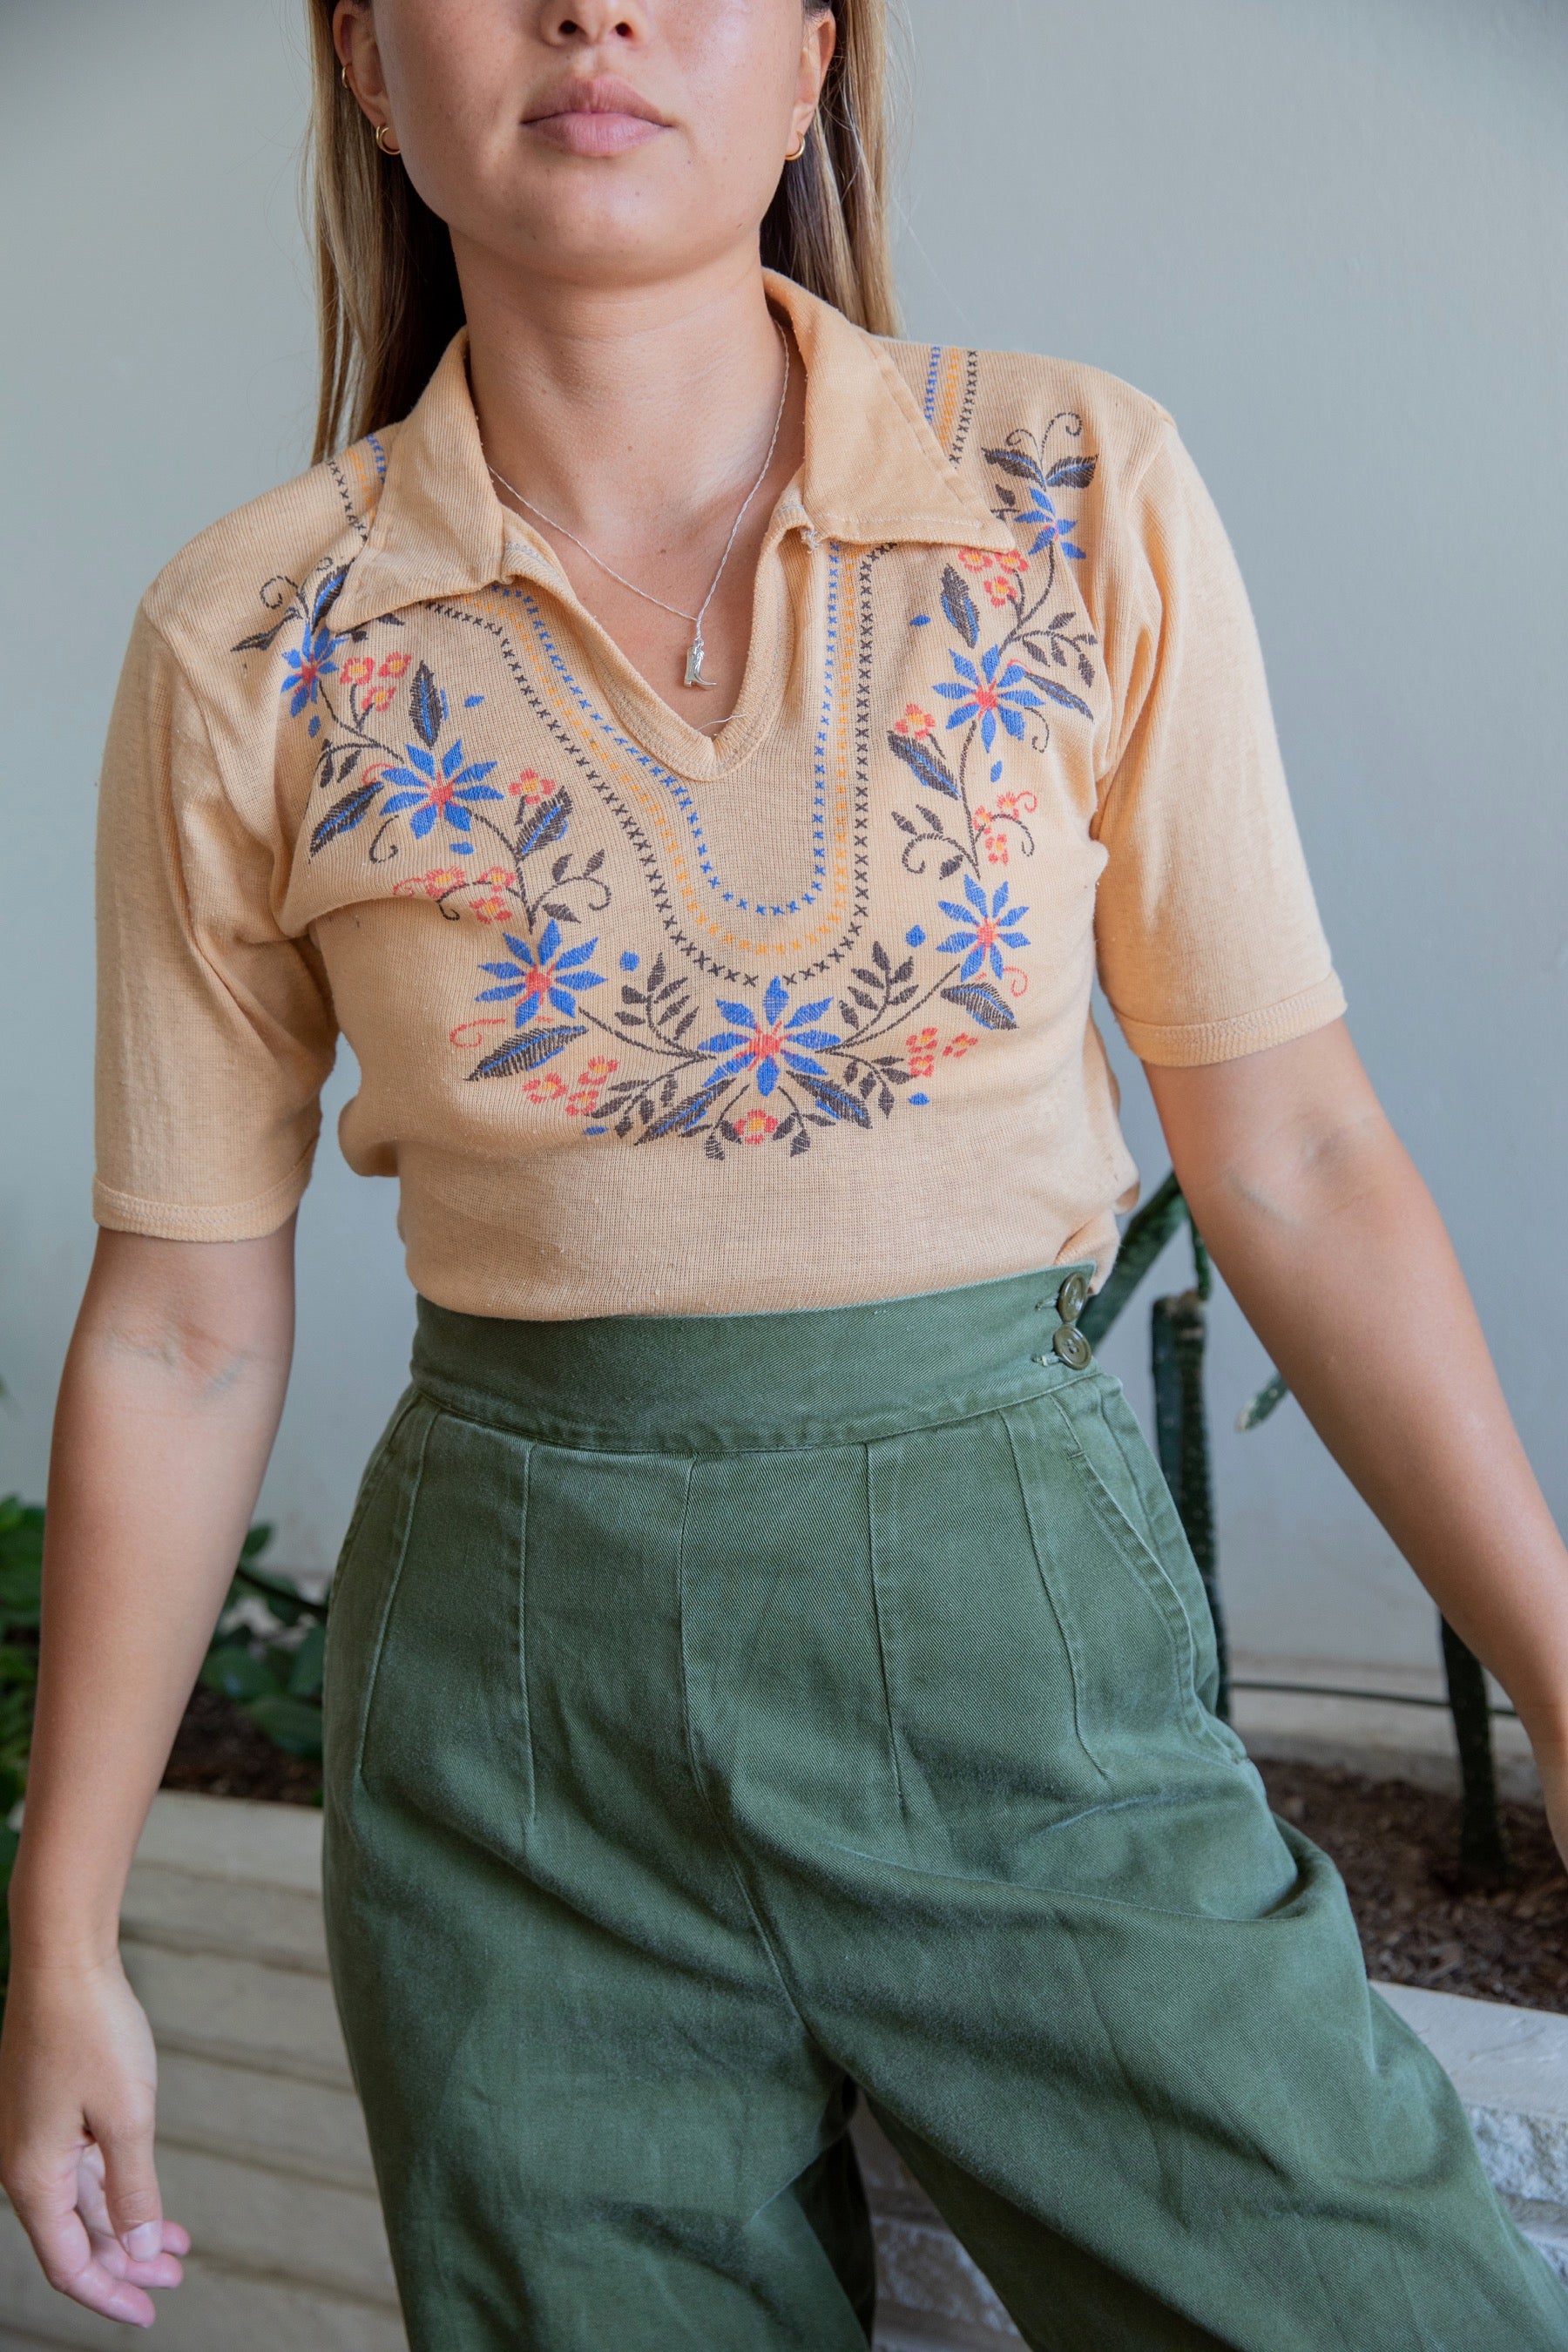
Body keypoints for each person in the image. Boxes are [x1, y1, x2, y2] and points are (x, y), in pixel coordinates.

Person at [3, 0, 1566, 2343]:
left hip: (1018, 1650)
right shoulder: (250, 639)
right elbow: (180, 1324)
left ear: (820, 52)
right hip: (510, 1736)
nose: (595, 13)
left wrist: (1560, 1676)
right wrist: (64, 1942)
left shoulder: (1068, 490)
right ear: (363, 62)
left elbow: (1305, 1155)